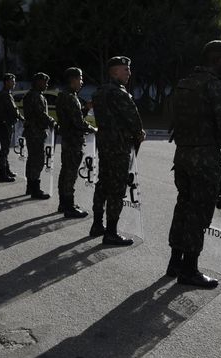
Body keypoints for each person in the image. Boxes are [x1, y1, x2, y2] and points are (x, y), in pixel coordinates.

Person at [166, 41, 221, 286]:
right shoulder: (215, 87)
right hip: (205, 159)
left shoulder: (184, 84)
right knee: (199, 213)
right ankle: (190, 270)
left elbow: (175, 119)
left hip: (183, 155)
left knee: (183, 207)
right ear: (218, 59)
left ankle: (175, 262)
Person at [90, 56, 145, 245]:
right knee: (117, 188)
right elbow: (133, 119)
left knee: (103, 183)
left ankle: (97, 224)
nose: (129, 73)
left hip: (104, 144)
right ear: (114, 71)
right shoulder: (120, 93)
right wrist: (139, 133)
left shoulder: (99, 92)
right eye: (125, 70)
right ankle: (111, 232)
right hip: (119, 146)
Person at [56, 67, 97, 218]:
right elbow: (79, 123)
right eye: (80, 78)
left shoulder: (63, 95)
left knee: (65, 172)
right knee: (70, 174)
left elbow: (73, 117)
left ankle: (63, 203)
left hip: (68, 139)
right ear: (72, 80)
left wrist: (86, 108)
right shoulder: (71, 98)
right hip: (73, 141)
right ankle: (69, 207)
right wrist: (94, 129)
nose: (82, 82)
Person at [22, 72, 56, 199]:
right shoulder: (35, 96)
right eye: (44, 82)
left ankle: (30, 187)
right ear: (38, 82)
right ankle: (35, 190)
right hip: (35, 132)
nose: (46, 85)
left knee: (32, 160)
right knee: (37, 160)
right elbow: (41, 114)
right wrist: (53, 122)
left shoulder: (31, 95)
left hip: (32, 131)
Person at [0, 73, 23, 182]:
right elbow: (13, 110)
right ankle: (3, 174)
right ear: (7, 82)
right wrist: (21, 118)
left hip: (5, 124)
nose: (14, 83)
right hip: (5, 125)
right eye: (12, 81)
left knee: (5, 149)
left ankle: (7, 169)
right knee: (4, 150)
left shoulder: (5, 93)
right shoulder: (5, 95)